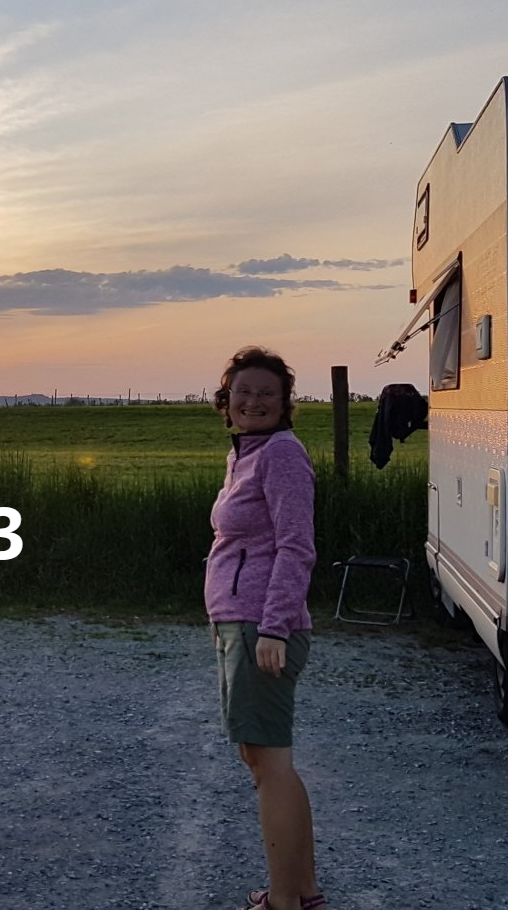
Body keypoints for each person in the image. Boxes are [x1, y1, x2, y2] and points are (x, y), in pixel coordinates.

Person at [205, 346, 324, 910]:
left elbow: (296, 547)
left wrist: (273, 627)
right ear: (225, 400)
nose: (253, 401)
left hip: (263, 629)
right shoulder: (246, 455)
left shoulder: (281, 454)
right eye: (243, 392)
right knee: (264, 761)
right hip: (241, 623)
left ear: (284, 403)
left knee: (269, 765)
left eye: (266, 393)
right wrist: (220, 619)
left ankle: (282, 902)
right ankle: (303, 892)